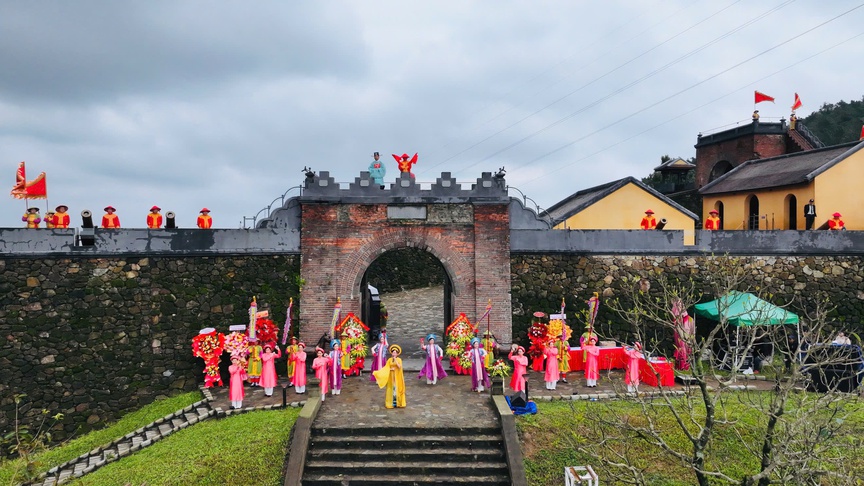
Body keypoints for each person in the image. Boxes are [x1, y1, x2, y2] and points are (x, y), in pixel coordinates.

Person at [373, 344, 406, 409]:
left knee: (397, 388)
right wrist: (391, 369)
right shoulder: (389, 360)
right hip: (391, 377)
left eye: (395, 353)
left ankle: (398, 403)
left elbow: (399, 367)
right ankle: (390, 403)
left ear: (397, 354)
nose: (394, 354)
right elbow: (386, 367)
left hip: (397, 376)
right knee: (391, 389)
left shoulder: (399, 360)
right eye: (393, 352)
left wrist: (395, 360)